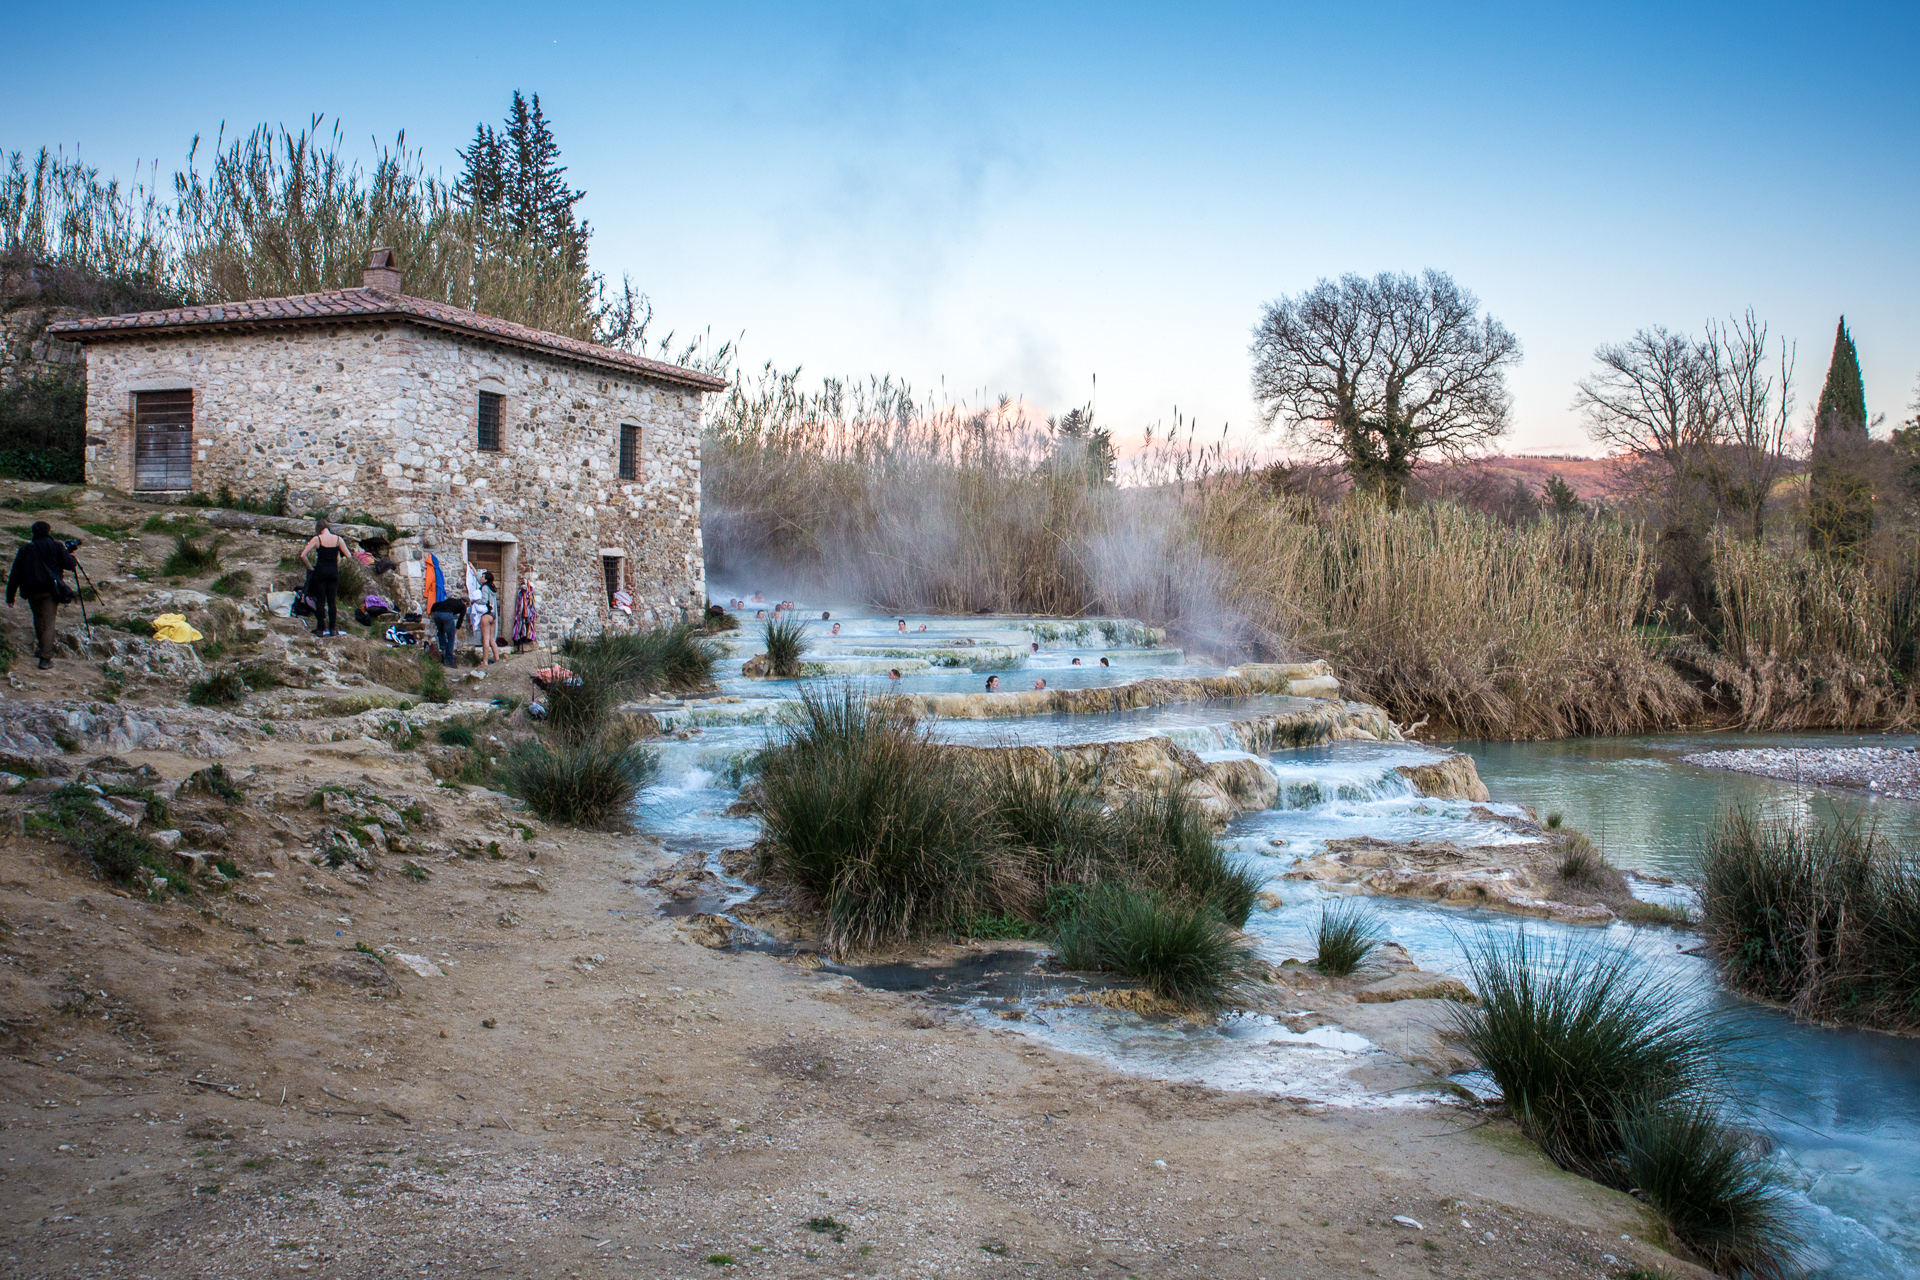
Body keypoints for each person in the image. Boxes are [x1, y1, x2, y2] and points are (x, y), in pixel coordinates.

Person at [6, 521, 78, 670]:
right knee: (49, 623)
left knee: (38, 618)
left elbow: (15, 574)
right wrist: (71, 555)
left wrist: (10, 596)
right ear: (48, 531)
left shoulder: (25, 549)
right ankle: (45, 658)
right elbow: (70, 565)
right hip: (49, 591)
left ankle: (41, 647)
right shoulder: (56, 546)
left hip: (31, 591)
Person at [301, 518, 347, 637]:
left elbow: (303, 555)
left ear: (319, 529)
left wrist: (310, 567)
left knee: (320, 601)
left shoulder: (317, 539)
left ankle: (321, 628)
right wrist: (338, 562)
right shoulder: (338, 539)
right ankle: (332, 629)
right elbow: (349, 555)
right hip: (333, 572)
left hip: (320, 572)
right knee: (332, 601)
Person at [470, 566, 501, 664]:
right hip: (493, 615)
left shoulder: (484, 587)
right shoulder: (492, 587)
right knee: (492, 639)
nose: (481, 577)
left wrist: (475, 601)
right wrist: (473, 569)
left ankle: (484, 661)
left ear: (486, 579)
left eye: (483, 576)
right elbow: (478, 579)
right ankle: (497, 658)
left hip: (486, 615)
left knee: (485, 639)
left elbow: (484, 600)